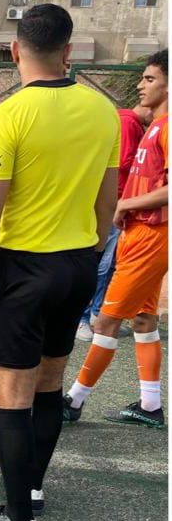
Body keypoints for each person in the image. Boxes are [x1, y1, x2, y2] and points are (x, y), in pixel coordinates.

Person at [0, 4, 120, 521]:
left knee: (12, 392)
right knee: (49, 384)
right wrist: (91, 251)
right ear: (68, 51)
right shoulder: (104, 112)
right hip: (78, 263)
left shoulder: (9, 115)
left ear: (15, 50)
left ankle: (19, 517)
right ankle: (32, 486)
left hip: (24, 268)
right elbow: (108, 202)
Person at [64, 50, 168, 428]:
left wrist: (125, 203)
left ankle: (73, 401)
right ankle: (150, 405)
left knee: (106, 321)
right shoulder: (154, 125)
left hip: (151, 235)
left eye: (150, 79)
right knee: (143, 319)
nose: (140, 85)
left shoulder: (167, 126)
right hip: (142, 233)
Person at [75, 103, 150, 341]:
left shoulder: (133, 124)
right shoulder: (127, 122)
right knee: (101, 263)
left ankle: (97, 314)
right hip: (114, 204)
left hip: (120, 204)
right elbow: (122, 165)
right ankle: (81, 318)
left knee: (111, 265)